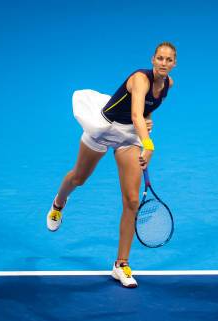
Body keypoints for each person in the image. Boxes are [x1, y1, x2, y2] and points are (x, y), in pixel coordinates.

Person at [46, 42, 177, 288]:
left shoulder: (167, 85)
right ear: (152, 59)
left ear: (174, 64)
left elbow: (145, 114)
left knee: (131, 201)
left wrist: (148, 124)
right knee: (79, 178)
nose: (163, 63)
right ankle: (59, 202)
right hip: (104, 129)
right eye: (160, 58)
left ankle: (121, 264)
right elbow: (137, 113)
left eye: (168, 60)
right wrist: (148, 144)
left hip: (128, 136)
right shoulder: (140, 79)